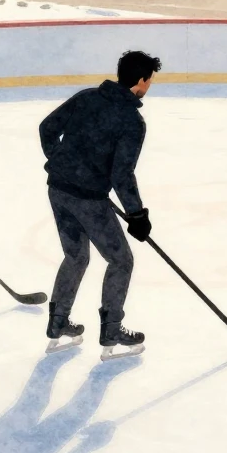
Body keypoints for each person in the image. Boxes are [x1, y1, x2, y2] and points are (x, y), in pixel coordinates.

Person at [39, 49, 161, 360]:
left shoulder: (86, 97)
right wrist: (137, 214)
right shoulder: (132, 122)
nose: (150, 85)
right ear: (140, 81)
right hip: (89, 199)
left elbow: (47, 128)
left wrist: (61, 161)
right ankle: (111, 330)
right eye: (150, 80)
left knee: (76, 256)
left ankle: (58, 323)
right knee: (121, 261)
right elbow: (122, 174)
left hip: (58, 189)